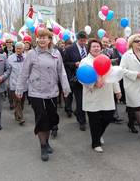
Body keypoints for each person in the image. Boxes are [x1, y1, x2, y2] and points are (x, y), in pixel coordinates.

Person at [16, 28, 70, 162]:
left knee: (51, 119)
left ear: (50, 39)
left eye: (44, 37)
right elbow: (24, 73)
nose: (41, 40)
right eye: (39, 37)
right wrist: (19, 89)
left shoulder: (56, 53)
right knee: (41, 119)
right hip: (36, 93)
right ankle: (43, 146)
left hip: (52, 92)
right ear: (37, 39)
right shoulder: (31, 54)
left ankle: (47, 141)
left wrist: (65, 87)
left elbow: (61, 72)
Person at [81, 39, 122, 152]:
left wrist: (117, 90)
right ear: (89, 48)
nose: (96, 48)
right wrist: (94, 84)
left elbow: (112, 75)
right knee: (94, 120)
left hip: (106, 94)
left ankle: (98, 134)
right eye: (93, 46)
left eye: (98, 46)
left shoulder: (106, 59)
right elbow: (82, 78)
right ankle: (96, 143)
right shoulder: (85, 61)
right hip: (93, 94)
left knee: (108, 116)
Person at [120, 34, 140, 142]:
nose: (139, 43)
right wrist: (135, 74)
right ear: (131, 43)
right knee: (138, 107)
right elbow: (122, 70)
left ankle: (130, 124)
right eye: (137, 41)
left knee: (132, 106)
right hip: (132, 85)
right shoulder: (126, 55)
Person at [63, 31, 88, 130]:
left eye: (84, 41)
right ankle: (82, 122)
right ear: (77, 39)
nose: (83, 43)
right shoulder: (69, 49)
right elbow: (65, 63)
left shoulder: (87, 48)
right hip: (75, 79)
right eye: (81, 41)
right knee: (80, 100)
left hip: (86, 78)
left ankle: (78, 112)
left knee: (84, 101)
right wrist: (74, 64)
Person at [102, 36, 123, 124]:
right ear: (101, 42)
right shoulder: (99, 52)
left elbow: (117, 61)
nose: (105, 44)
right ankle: (106, 116)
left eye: (107, 42)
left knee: (114, 97)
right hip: (103, 78)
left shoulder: (112, 51)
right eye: (104, 42)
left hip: (112, 75)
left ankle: (114, 116)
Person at [7, 42, 26, 125]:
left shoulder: (26, 57)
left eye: (20, 48)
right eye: (17, 48)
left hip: (24, 83)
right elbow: (7, 70)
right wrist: (7, 82)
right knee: (17, 100)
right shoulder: (10, 58)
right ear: (15, 49)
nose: (18, 50)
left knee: (22, 101)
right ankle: (21, 118)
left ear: (23, 49)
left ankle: (17, 113)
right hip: (14, 82)